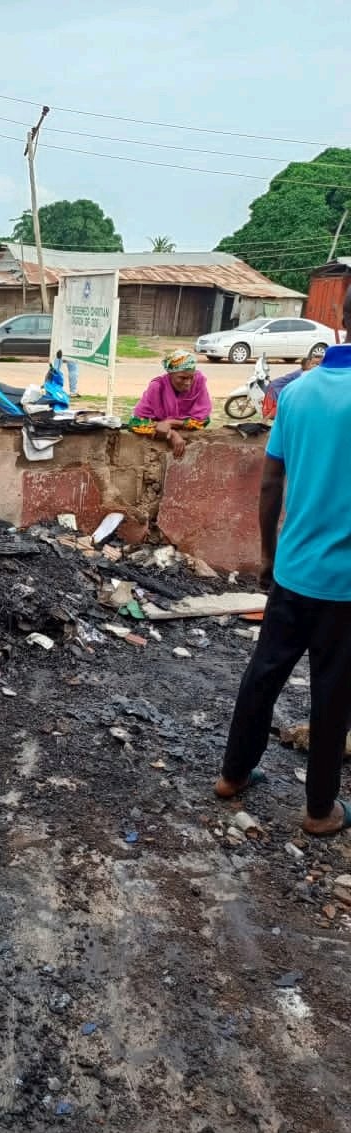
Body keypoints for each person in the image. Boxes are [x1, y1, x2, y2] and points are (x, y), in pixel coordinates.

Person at [214, 292, 351, 837]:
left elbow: (272, 480)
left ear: (341, 318)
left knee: (264, 674)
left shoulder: (299, 392)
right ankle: (320, 810)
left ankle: (232, 774)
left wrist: (270, 556)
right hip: (345, 587)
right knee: (333, 692)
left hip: (294, 571)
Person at [129, 350, 211, 458]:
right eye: (182, 378)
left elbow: (203, 420)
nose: (188, 383)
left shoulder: (198, 382)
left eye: (191, 377)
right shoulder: (157, 387)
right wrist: (172, 434)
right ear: (170, 374)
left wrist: (170, 422)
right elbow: (135, 423)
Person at [262, 348, 324, 419]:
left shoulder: (305, 372)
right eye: (314, 364)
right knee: (283, 404)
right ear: (307, 365)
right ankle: (266, 420)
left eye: (318, 364)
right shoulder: (302, 374)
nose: (316, 366)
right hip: (277, 387)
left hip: (278, 386)